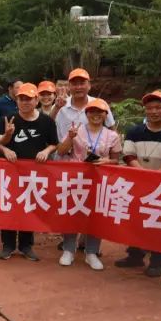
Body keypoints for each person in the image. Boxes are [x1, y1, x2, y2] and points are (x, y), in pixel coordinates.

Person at [116, 91, 161, 277]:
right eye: (149, 108)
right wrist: (143, 173)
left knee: (159, 222)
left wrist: (156, 175)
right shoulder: (135, 131)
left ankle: (157, 261)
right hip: (139, 182)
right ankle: (134, 255)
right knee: (136, 220)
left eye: (158, 107)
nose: (154, 111)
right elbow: (128, 154)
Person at [54, 98, 121, 271]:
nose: (96, 115)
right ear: (87, 114)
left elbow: (116, 160)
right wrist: (70, 137)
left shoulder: (112, 135)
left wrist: (106, 161)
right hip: (76, 178)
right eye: (92, 111)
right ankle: (69, 249)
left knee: (96, 215)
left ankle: (91, 252)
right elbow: (61, 151)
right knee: (72, 213)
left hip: (99, 180)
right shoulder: (76, 130)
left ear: (106, 115)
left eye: (100, 112)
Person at [0, 83, 58, 262]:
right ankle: (7, 245)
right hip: (10, 172)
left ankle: (26, 245)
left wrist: (46, 151)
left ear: (36, 100)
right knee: (9, 206)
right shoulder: (8, 119)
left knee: (29, 207)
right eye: (21, 99)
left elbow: (54, 143)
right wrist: (6, 150)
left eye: (29, 99)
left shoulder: (47, 121)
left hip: (33, 174)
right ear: (17, 101)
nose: (25, 102)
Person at [54, 68, 115, 143]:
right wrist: (56, 108)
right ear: (69, 86)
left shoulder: (101, 104)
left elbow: (112, 130)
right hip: (65, 149)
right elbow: (47, 126)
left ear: (89, 86)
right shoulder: (59, 105)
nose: (78, 87)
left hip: (94, 149)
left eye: (82, 83)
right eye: (74, 84)